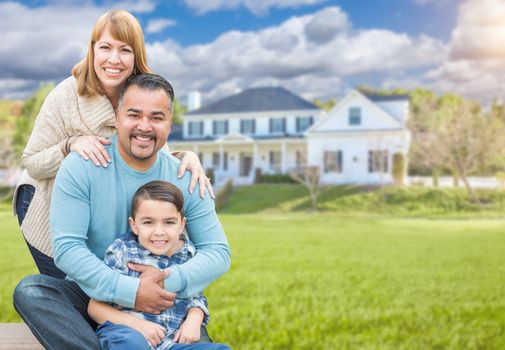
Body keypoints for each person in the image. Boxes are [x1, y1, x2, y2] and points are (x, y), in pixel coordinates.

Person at [13, 74, 230, 350]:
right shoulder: (82, 166)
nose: (144, 126)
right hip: (95, 294)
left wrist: (165, 282)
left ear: (170, 123)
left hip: (164, 300)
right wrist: (131, 291)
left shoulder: (186, 175)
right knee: (32, 291)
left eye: (156, 117)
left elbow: (218, 252)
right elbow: (67, 248)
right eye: (134, 114)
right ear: (117, 117)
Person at [13, 9, 213, 279]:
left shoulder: (143, 91)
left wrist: (185, 156)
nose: (114, 60)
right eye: (105, 47)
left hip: (102, 210)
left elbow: (150, 145)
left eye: (125, 50)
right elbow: (33, 162)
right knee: (76, 291)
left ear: (137, 55)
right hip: (45, 202)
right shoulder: (65, 96)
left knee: (109, 288)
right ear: (92, 50)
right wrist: (69, 144)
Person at [88, 180, 231, 350]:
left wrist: (194, 319)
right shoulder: (123, 251)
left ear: (181, 225)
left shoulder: (188, 253)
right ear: (134, 225)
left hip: (171, 342)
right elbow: (95, 307)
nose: (159, 231)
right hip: (126, 332)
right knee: (130, 343)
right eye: (148, 222)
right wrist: (137, 325)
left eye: (169, 222)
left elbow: (196, 296)